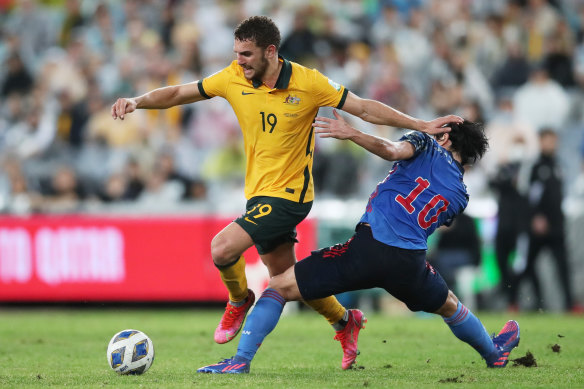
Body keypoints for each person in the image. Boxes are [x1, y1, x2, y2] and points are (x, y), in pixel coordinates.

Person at [111, 16, 461, 367]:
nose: (239, 61)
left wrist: (420, 125)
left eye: (246, 54)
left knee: (221, 249)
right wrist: (137, 100)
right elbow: (177, 93)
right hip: (259, 195)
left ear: (271, 51)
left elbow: (364, 106)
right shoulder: (232, 77)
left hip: (291, 197)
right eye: (236, 53)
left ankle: (238, 300)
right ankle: (344, 321)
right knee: (286, 279)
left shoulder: (309, 82)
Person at [197, 113, 520, 374]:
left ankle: (240, 360)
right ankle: (493, 354)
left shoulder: (425, 143)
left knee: (278, 287)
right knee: (449, 304)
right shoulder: (461, 195)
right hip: (410, 264)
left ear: (445, 137)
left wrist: (352, 133)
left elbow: (392, 151)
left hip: (369, 249)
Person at [510, 129, 578, 312]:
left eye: (553, 141)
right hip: (536, 227)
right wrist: (536, 217)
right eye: (547, 140)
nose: (551, 144)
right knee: (524, 264)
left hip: (556, 225)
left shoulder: (558, 165)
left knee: (563, 266)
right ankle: (512, 301)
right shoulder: (535, 166)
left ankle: (570, 305)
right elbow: (528, 194)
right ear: (540, 142)